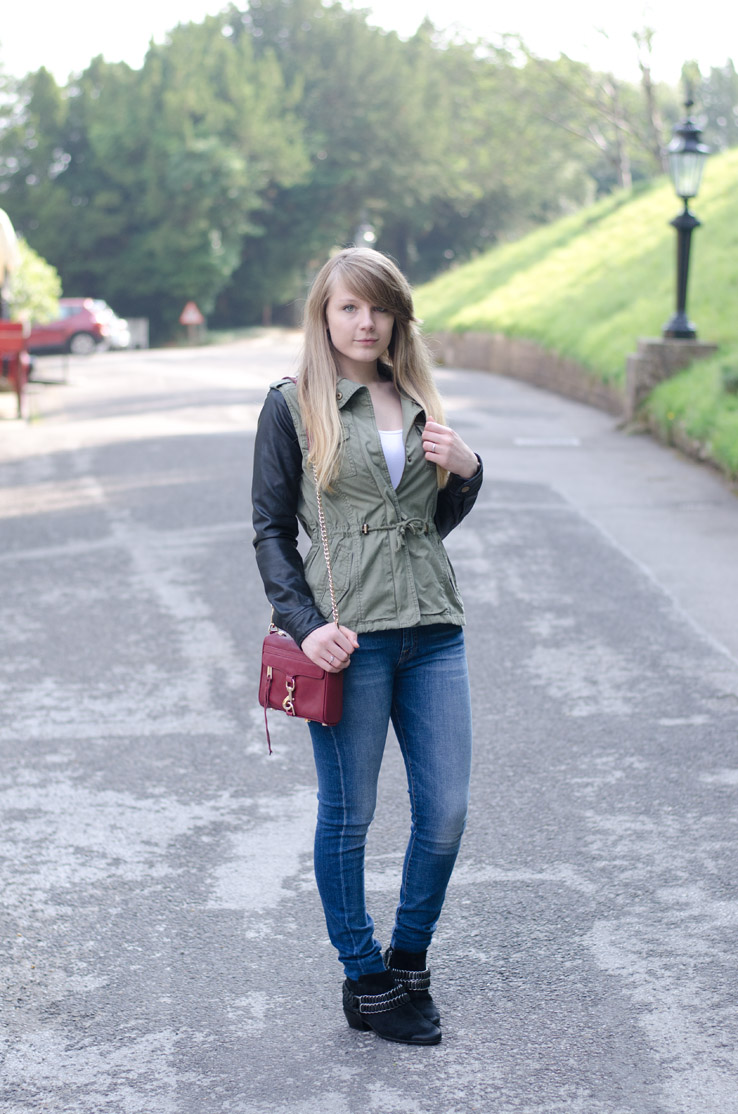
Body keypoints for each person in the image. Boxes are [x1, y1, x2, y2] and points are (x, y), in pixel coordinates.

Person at [252, 247, 482, 1046]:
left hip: (434, 630)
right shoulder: (291, 405)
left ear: (396, 317)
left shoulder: (416, 396)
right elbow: (270, 531)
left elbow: (428, 523)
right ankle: (364, 975)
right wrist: (305, 626)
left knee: (446, 810)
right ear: (324, 314)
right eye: (349, 306)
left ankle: (408, 957)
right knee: (350, 816)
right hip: (349, 642)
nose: (365, 321)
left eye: (379, 307)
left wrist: (469, 469)